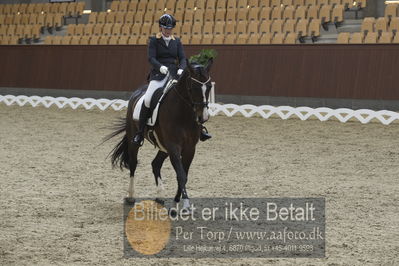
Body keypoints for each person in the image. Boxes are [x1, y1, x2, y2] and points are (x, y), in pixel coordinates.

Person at [133, 14, 211, 146]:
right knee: (148, 99)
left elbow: (182, 58)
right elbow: (151, 58)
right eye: (165, 28)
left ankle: (200, 129)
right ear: (161, 27)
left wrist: (181, 68)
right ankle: (140, 133)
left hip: (175, 74)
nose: (168, 30)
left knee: (190, 97)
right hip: (158, 74)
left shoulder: (177, 41)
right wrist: (160, 67)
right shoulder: (154, 40)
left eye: (170, 28)